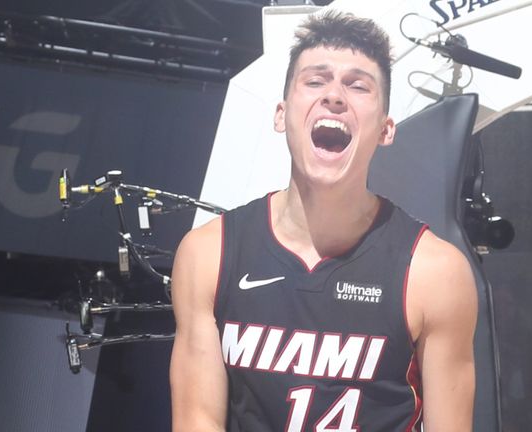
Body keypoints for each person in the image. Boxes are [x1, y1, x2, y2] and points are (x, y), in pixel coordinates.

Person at [170, 11, 478, 431]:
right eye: (315, 81)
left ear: (387, 129)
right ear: (280, 116)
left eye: (357, 85)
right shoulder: (208, 254)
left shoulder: (435, 273)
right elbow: (197, 422)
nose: (334, 95)